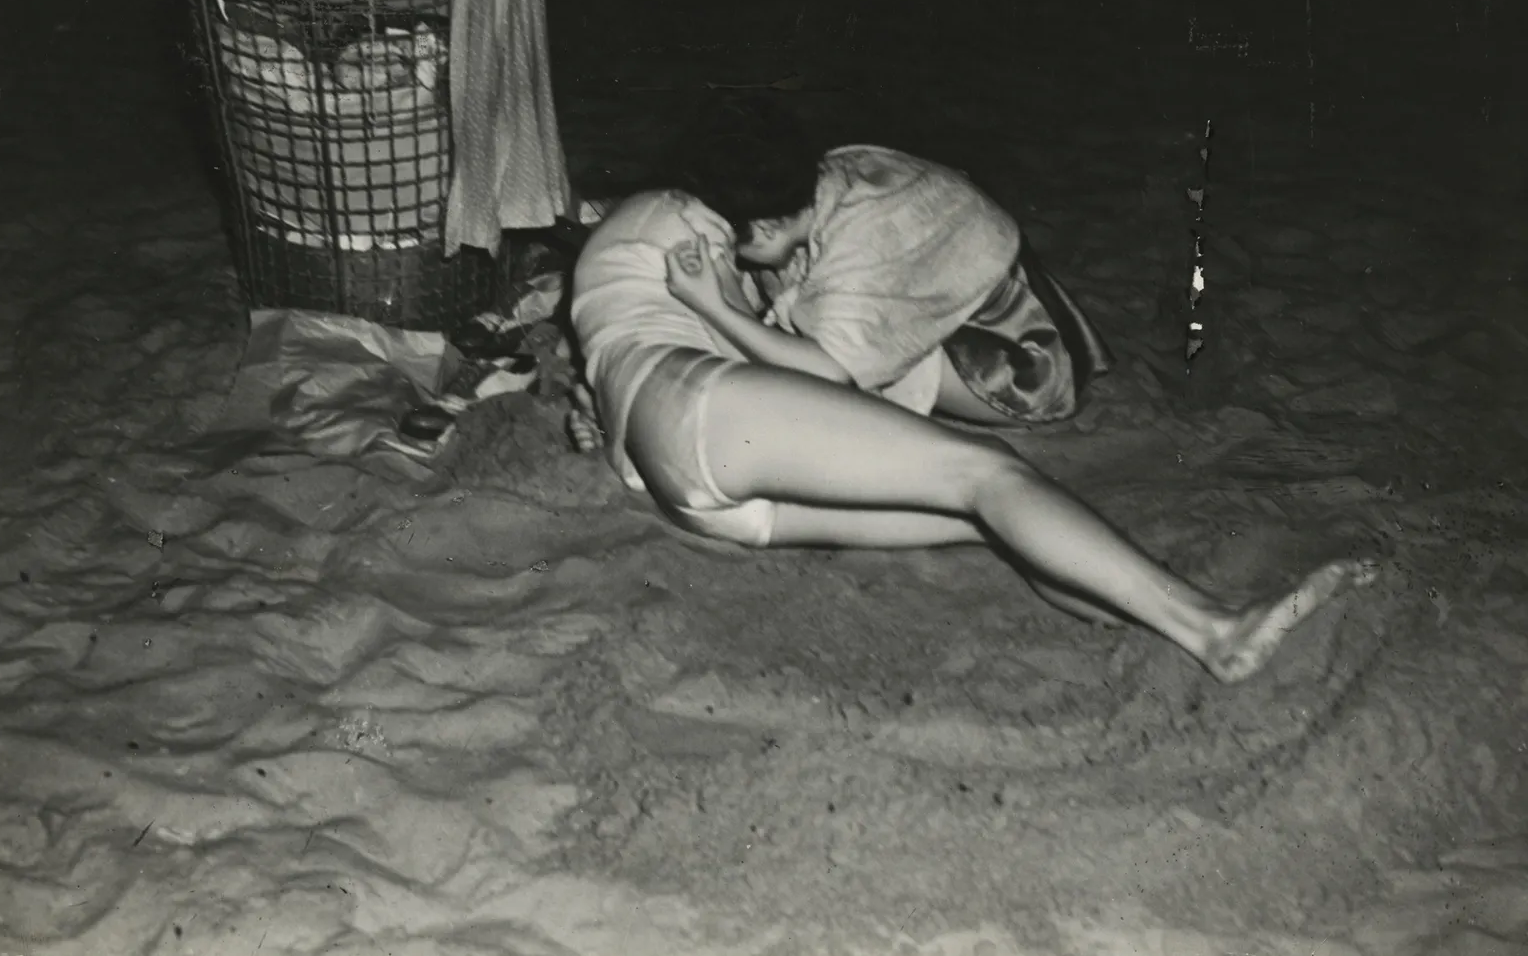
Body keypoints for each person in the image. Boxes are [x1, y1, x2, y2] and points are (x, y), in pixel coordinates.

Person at [568, 185, 1375, 686]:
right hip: (697, 409)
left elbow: (626, 416)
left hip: (687, 483)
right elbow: (779, 354)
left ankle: (1151, 619)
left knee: (988, 524)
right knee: (986, 472)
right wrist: (738, 302)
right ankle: (1216, 629)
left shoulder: (603, 292)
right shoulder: (681, 217)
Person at [672, 96, 1112, 426]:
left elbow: (828, 372)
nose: (735, 254)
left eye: (737, 242)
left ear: (766, 227)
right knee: (779, 300)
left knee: (809, 380)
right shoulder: (835, 169)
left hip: (1022, 366)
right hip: (1015, 302)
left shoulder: (863, 243)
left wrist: (713, 307)